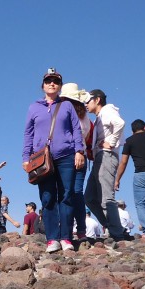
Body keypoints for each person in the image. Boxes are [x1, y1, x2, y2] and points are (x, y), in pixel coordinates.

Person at [22, 69, 85, 253]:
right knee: (47, 198)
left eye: (55, 81)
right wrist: (25, 157)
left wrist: (79, 151)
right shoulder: (34, 107)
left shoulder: (67, 106)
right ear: (43, 85)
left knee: (66, 196)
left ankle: (65, 237)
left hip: (66, 156)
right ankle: (52, 239)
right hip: (42, 158)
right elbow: (28, 133)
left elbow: (76, 130)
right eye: (48, 81)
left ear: (59, 86)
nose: (52, 83)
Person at [84, 88, 128, 241]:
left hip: (107, 156)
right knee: (89, 197)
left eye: (88, 100)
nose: (86, 104)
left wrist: (112, 142)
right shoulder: (99, 116)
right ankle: (113, 226)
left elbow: (120, 123)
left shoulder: (107, 111)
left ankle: (117, 233)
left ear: (97, 100)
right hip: (100, 158)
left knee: (106, 197)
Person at [59, 83, 92, 239]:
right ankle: (81, 230)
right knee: (77, 192)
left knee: (66, 193)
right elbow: (85, 138)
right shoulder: (86, 117)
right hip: (82, 155)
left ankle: (66, 228)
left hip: (67, 155)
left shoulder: (64, 113)